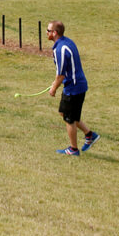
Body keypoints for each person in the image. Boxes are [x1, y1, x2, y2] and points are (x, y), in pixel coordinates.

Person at [47, 20, 98, 155]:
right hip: (79, 85)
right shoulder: (67, 42)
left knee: (69, 119)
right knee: (65, 113)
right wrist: (55, 83)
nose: (46, 33)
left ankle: (73, 149)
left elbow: (61, 75)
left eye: (48, 30)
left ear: (54, 33)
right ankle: (89, 135)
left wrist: (53, 89)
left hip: (73, 88)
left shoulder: (59, 50)